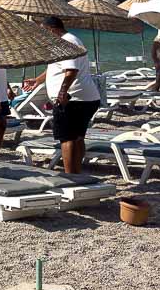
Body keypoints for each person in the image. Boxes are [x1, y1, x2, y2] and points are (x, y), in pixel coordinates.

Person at [22, 16, 101, 173]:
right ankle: (77, 172)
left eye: (44, 32)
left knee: (67, 138)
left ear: (51, 30)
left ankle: (71, 175)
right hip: (86, 97)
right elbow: (57, 68)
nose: (43, 36)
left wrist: (62, 92)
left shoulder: (66, 42)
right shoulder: (70, 40)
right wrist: (38, 80)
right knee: (78, 137)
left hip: (72, 99)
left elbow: (71, 70)